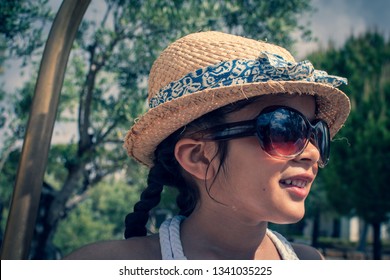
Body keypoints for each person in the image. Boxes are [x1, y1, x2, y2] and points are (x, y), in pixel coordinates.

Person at [64, 31, 350, 260]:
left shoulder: (311, 262)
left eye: (317, 133)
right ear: (199, 156)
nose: (312, 152)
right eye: (284, 129)